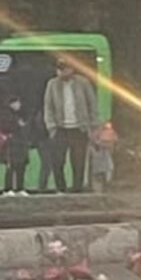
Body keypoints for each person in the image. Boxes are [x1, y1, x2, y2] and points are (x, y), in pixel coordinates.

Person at [41, 59, 98, 193]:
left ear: (71, 69)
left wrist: (92, 124)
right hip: (60, 129)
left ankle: (77, 188)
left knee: (78, 161)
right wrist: (51, 126)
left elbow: (92, 104)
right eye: (59, 69)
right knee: (57, 160)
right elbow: (48, 106)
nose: (61, 72)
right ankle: (61, 188)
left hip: (79, 128)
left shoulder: (83, 83)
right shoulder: (52, 84)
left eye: (64, 69)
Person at [0, 94, 32, 196]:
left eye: (18, 102)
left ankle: (20, 187)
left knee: (21, 166)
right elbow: (4, 127)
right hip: (11, 144)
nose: (17, 105)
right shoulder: (6, 115)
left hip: (22, 143)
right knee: (11, 166)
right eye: (14, 103)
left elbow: (28, 127)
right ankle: (7, 188)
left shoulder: (24, 114)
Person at [89, 121, 117, 193]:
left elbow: (113, 141)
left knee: (107, 173)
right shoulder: (92, 146)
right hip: (97, 163)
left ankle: (105, 187)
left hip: (105, 162)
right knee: (97, 175)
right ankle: (97, 189)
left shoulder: (109, 134)